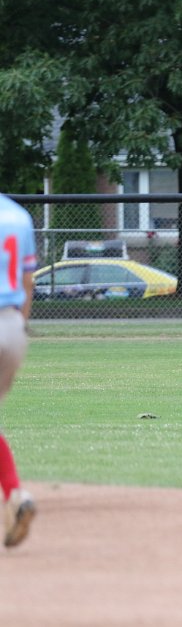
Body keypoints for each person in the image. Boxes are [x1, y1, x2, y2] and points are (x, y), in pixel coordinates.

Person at [0, 193, 38, 547]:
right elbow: (28, 282)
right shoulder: (18, 215)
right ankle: (14, 496)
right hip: (11, 326)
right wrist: (19, 326)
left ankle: (16, 494)